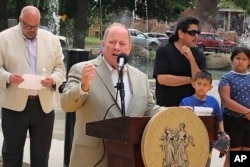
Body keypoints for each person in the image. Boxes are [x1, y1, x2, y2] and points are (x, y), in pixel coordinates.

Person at [60, 23, 164, 167]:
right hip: (92, 158)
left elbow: (150, 108)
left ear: (129, 47)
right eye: (112, 42)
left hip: (128, 157)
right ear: (103, 45)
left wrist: (175, 113)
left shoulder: (140, 77)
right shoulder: (82, 70)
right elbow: (66, 104)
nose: (117, 47)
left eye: (122, 43)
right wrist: (83, 87)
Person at [0, 6, 65, 167]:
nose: (32, 30)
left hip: (44, 107)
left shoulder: (52, 40)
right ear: (20, 21)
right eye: (28, 26)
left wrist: (53, 79)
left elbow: (60, 68)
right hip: (14, 106)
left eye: (35, 26)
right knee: (11, 155)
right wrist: (8, 77)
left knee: (41, 156)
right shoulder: (3, 38)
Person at [153, 16, 207, 107]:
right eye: (192, 32)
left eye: (198, 32)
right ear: (181, 33)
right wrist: (190, 80)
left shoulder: (199, 55)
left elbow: (201, 82)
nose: (196, 36)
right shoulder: (164, 50)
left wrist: (191, 60)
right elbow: (162, 79)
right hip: (167, 107)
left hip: (192, 108)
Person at [179, 70, 229, 167]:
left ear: (210, 87)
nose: (201, 87)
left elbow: (219, 119)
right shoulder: (185, 101)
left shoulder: (213, 101)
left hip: (207, 141)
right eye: (199, 84)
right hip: (189, 141)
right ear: (193, 84)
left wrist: (222, 133)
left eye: (205, 85)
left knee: (206, 162)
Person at [218, 46, 250, 167]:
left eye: (244, 59)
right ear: (232, 60)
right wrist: (246, 112)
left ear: (249, 62)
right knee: (232, 157)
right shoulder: (227, 78)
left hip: (248, 123)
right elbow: (226, 100)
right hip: (232, 121)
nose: (240, 61)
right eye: (237, 58)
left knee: (244, 157)